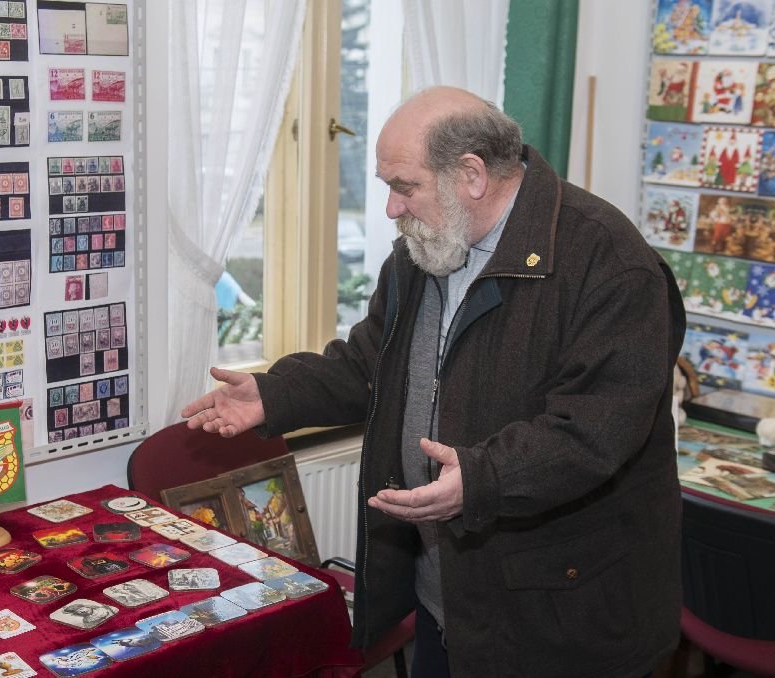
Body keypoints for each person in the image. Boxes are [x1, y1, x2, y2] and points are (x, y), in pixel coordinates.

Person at [182, 86, 686, 677]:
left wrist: (482, 478)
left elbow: (594, 431)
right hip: (448, 597)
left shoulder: (609, 263)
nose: (391, 208)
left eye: (405, 186)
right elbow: (371, 364)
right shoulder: (427, 248)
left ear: (471, 175)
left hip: (560, 620)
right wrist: (275, 394)